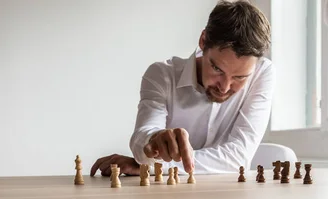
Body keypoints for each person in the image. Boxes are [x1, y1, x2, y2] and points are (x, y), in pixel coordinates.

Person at [90, 0, 273, 177]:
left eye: (239, 77)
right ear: (203, 41)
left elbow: (237, 158)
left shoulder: (261, 73)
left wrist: (153, 167)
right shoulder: (161, 75)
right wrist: (152, 142)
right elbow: (142, 137)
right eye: (217, 69)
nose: (224, 87)